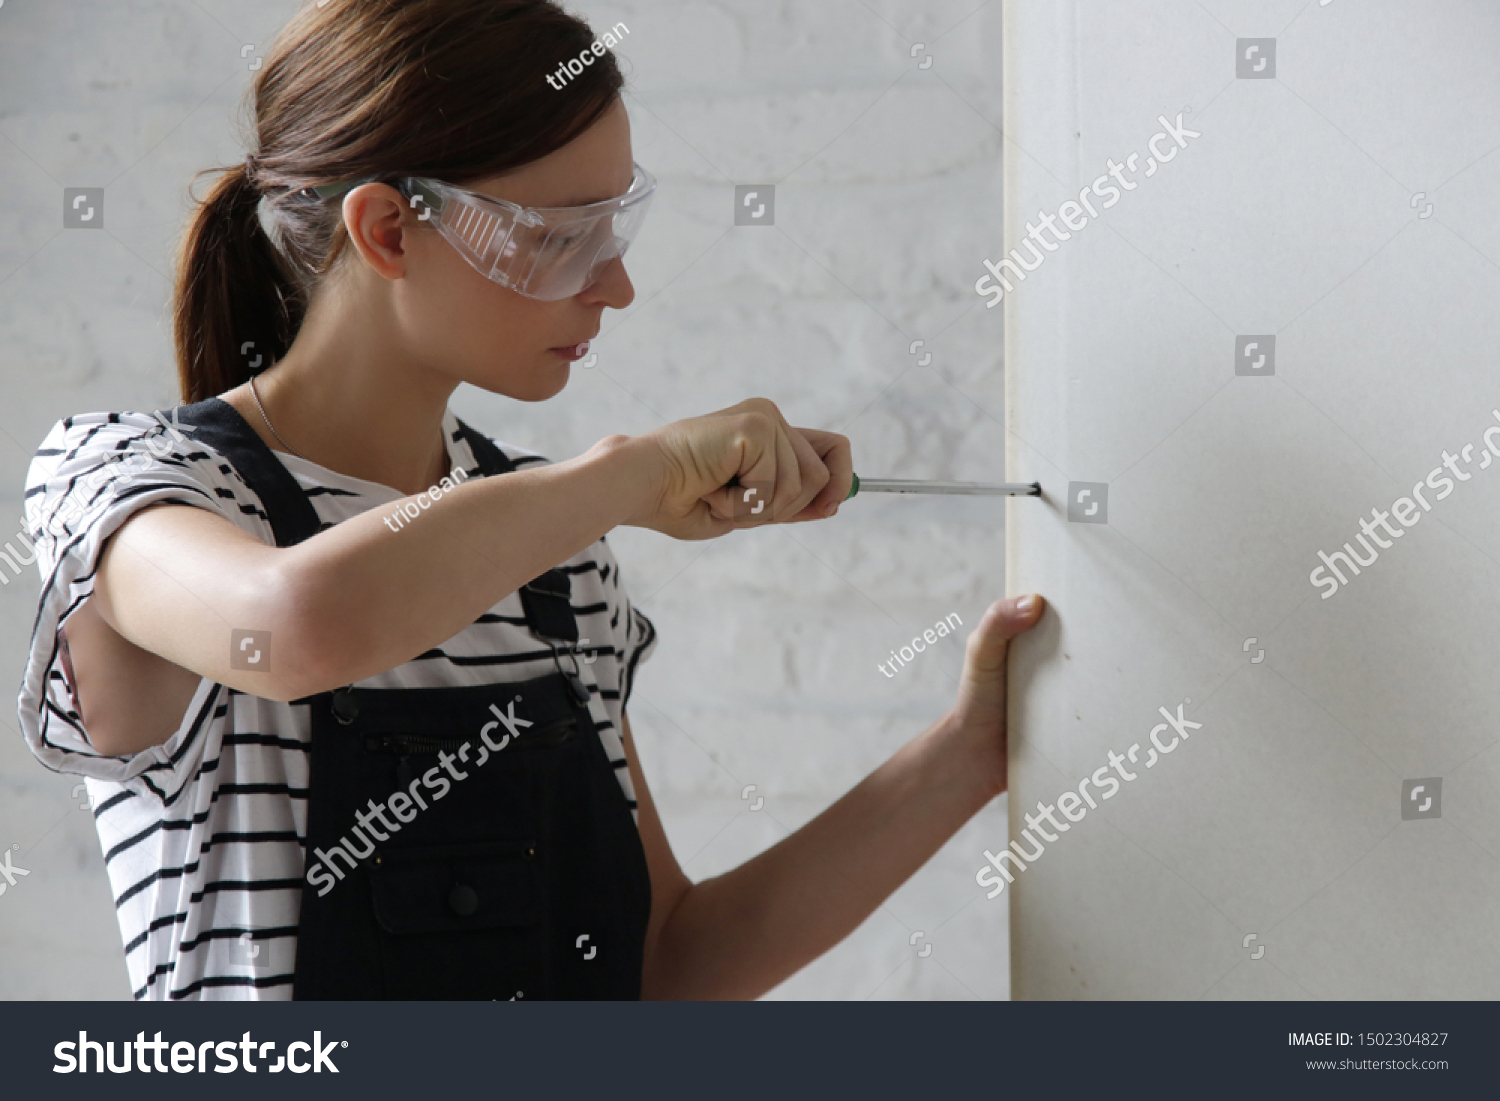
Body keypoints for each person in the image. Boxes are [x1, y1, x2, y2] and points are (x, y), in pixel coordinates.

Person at [16, 0, 1044, 1001]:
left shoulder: (557, 550)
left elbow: (663, 966)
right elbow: (291, 632)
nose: (617, 285)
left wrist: (968, 756)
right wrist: (627, 476)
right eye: (564, 233)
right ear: (387, 230)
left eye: (618, 223)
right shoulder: (132, 483)